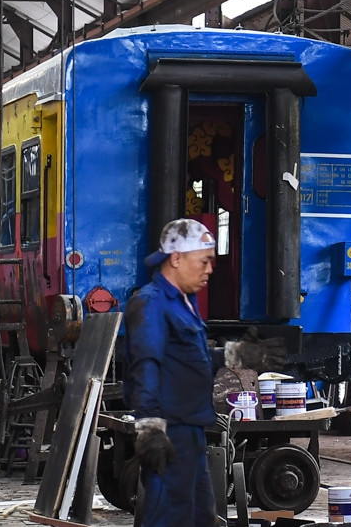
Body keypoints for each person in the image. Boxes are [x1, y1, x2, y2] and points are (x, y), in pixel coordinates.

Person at [122, 219, 218, 527]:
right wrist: (150, 426)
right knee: (170, 517)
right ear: (176, 259)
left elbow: (189, 358)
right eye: (204, 261)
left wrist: (233, 354)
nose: (209, 270)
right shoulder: (151, 302)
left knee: (200, 517)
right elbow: (145, 364)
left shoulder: (185, 302)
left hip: (191, 430)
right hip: (170, 431)